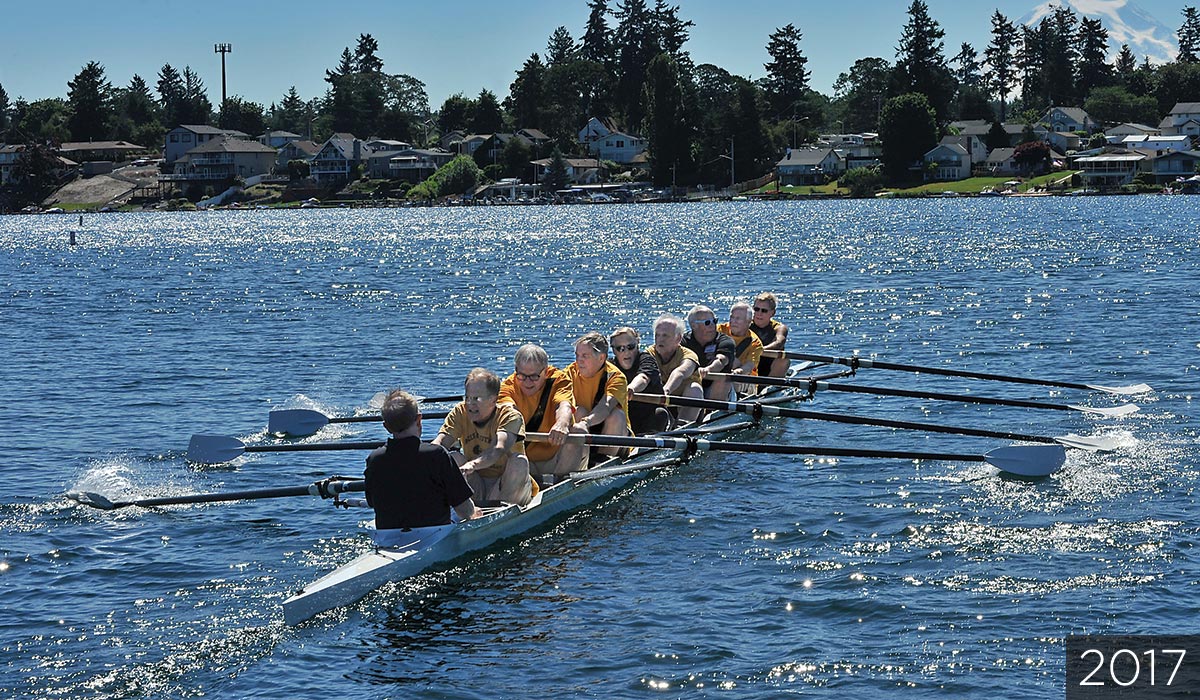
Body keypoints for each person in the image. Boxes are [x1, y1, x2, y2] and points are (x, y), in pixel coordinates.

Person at [364, 390, 479, 537]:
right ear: (419, 420)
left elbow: (372, 502)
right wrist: (474, 512)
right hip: (435, 534)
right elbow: (465, 511)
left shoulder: (374, 459)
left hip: (388, 536)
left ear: (386, 426)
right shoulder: (437, 455)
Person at [433, 367, 535, 506]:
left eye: (476, 399)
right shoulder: (460, 412)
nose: (470, 404)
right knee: (452, 458)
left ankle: (504, 514)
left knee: (519, 462)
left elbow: (498, 449)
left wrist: (473, 464)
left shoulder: (510, 416)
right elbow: (439, 443)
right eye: (467, 397)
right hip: (476, 483)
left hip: (507, 484)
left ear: (493, 400)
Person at [498, 343, 587, 484]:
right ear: (516, 371)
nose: (527, 382)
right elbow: (509, 411)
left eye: (534, 376)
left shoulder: (559, 380)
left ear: (545, 372)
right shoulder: (507, 387)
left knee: (579, 430)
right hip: (524, 460)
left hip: (557, 459)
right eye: (522, 376)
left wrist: (561, 424)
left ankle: (560, 485)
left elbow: (563, 405)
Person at [565, 332, 630, 457]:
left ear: (601, 357)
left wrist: (586, 422)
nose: (579, 360)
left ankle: (603, 461)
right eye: (577, 355)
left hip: (612, 433)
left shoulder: (616, 377)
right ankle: (578, 459)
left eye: (585, 356)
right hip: (582, 430)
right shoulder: (569, 373)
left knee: (616, 415)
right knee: (578, 411)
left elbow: (605, 407)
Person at [609, 326, 671, 434]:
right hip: (625, 419)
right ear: (613, 350)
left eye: (630, 347)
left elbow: (643, 378)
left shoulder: (646, 359)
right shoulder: (609, 367)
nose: (626, 352)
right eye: (620, 348)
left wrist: (630, 388)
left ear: (638, 343)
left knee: (660, 413)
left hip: (650, 417)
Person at [648, 314, 705, 423]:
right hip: (659, 406)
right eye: (657, 335)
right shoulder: (649, 354)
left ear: (678, 338)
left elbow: (680, 372)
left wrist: (666, 390)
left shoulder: (688, 355)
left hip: (685, 406)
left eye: (665, 335)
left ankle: (682, 427)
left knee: (695, 389)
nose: (660, 339)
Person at [682, 304, 736, 401]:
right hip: (692, 386)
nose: (712, 325)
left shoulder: (726, 341)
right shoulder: (683, 342)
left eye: (714, 321)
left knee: (721, 380)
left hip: (719, 388)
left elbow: (721, 360)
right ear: (694, 326)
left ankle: (713, 412)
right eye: (707, 322)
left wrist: (708, 369)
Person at [717, 301, 765, 387]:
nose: (733, 321)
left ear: (748, 321)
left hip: (745, 379)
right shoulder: (719, 330)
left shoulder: (755, 343)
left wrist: (737, 372)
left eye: (738, 318)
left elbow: (749, 366)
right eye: (732, 317)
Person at [751, 292, 790, 378]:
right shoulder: (745, 325)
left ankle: (768, 387)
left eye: (764, 311)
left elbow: (779, 342)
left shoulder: (779, 328)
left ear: (773, 313)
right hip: (749, 365)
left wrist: (759, 350)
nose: (759, 313)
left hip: (770, 369)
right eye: (756, 309)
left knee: (783, 359)